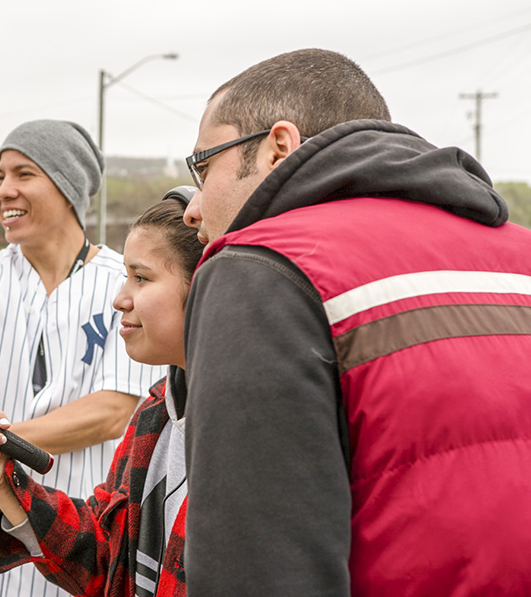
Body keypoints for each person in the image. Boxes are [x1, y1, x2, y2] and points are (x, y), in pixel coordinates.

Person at [180, 48, 531, 595]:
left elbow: (257, 569)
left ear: (279, 147)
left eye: (204, 166)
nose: (192, 207)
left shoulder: (261, 268)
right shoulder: (520, 256)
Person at [0, 119, 164, 597]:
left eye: (24, 174)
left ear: (68, 186)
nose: (3, 192)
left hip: (71, 549)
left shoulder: (125, 282)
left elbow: (113, 411)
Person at [0, 191, 203, 597]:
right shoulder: (157, 413)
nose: (120, 298)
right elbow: (106, 557)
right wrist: (4, 483)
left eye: (141, 278)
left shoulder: (251, 437)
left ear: (206, 286)